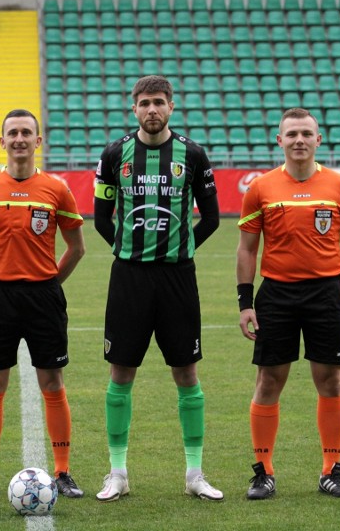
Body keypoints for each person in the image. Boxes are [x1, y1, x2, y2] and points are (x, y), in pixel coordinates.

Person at [93, 75, 223, 502]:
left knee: (186, 372)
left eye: (159, 102)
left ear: (172, 106)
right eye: (145, 103)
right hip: (129, 278)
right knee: (121, 373)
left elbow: (212, 218)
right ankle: (117, 473)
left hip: (177, 277)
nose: (152, 110)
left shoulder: (194, 154)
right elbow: (101, 218)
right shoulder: (115, 154)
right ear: (134, 108)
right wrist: (128, 249)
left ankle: (195, 473)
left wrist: (180, 249)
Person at [236, 107, 340, 500]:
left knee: (330, 380)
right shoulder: (260, 188)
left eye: (306, 134)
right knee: (268, 380)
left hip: (327, 293)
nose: (299, 140)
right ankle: (263, 471)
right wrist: (246, 303)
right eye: (292, 134)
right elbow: (247, 249)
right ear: (279, 140)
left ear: (319, 140)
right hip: (276, 294)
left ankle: (331, 470)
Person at [0, 109, 86, 500]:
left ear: (38, 141)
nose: (19, 139)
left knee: (52, 382)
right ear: (1, 141)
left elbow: (76, 248)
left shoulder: (56, 189)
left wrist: (48, 284)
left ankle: (63, 472)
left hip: (43, 296)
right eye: (12, 132)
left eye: (26, 132)